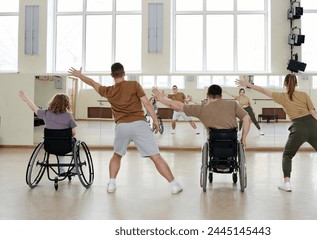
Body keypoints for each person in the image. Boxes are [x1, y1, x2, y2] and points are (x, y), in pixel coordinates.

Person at [68, 63, 183, 194]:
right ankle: (174, 185)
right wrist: (155, 120)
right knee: (156, 157)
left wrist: (79, 75)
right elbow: (146, 103)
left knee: (117, 155)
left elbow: (92, 83)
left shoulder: (108, 91)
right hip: (140, 124)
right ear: (124, 73)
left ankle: (111, 184)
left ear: (111, 75)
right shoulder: (134, 85)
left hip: (122, 126)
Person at [236, 74, 317, 193]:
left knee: (287, 155)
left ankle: (287, 183)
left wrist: (247, 84)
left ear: (284, 84)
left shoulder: (282, 97)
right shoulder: (304, 95)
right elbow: (314, 112)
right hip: (313, 126)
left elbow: (263, 90)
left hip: (298, 128)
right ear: (296, 84)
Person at [152, 84, 251, 147]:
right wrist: (243, 138)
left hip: (214, 142)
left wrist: (159, 97)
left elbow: (175, 105)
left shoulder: (201, 108)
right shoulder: (232, 104)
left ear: (207, 96)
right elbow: (247, 118)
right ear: (221, 96)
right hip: (231, 142)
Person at [19, 90, 77, 174]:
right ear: (67, 104)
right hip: (65, 146)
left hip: (50, 146)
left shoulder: (46, 113)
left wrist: (26, 99)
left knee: (59, 143)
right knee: (72, 143)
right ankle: (70, 168)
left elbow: (34, 108)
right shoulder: (68, 116)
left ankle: (62, 169)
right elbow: (73, 133)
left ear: (53, 102)